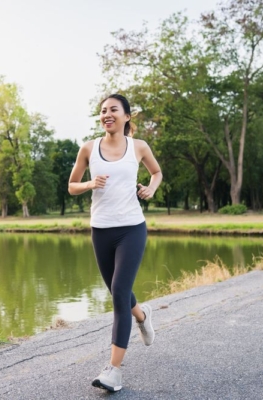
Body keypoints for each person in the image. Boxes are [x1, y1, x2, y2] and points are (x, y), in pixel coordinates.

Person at [68, 93, 162, 392]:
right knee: (117, 291)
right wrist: (89, 184)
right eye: (103, 111)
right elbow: (71, 186)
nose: (107, 114)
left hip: (132, 228)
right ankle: (143, 316)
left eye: (113, 110)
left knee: (119, 293)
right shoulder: (88, 148)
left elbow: (156, 172)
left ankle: (114, 371)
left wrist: (151, 188)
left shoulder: (139, 147)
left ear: (126, 116)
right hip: (101, 230)